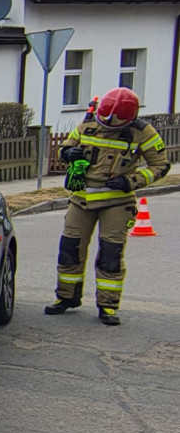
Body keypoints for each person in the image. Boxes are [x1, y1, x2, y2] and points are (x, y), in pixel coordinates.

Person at [45, 87, 169, 325]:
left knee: (110, 254)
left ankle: (108, 305)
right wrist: (68, 153)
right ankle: (66, 297)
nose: (107, 124)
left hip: (117, 201)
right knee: (70, 248)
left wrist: (130, 181)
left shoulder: (143, 132)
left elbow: (160, 166)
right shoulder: (89, 124)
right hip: (81, 199)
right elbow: (65, 148)